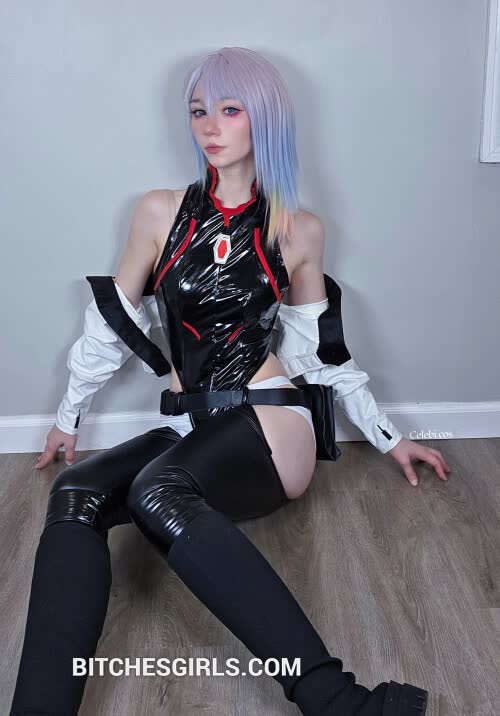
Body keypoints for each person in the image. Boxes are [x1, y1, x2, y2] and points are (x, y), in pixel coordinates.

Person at [10, 47, 450, 715]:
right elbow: (113, 323)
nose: (209, 125)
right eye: (198, 111)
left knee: (157, 490)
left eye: (229, 108)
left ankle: (338, 701)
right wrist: (68, 419)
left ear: (263, 119)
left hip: (272, 420)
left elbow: (321, 355)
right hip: (197, 428)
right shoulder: (158, 212)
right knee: (76, 493)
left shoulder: (297, 230)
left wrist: (389, 437)